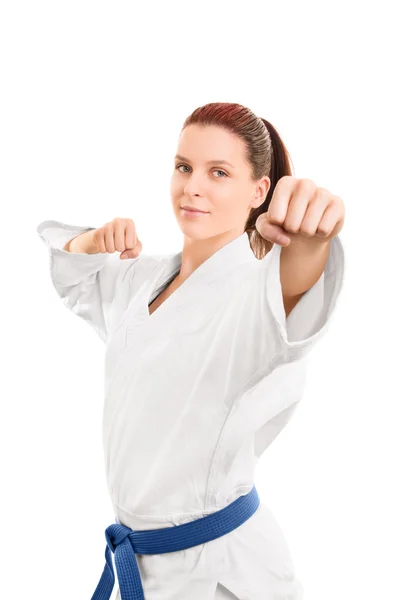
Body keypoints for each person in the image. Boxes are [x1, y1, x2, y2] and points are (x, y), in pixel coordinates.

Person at [36, 102, 346, 600]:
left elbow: (293, 286)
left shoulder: (253, 291)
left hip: (218, 574)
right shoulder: (143, 279)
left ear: (259, 191)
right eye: (184, 167)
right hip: (145, 561)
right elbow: (75, 282)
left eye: (218, 172)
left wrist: (315, 234)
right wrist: (93, 240)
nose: (191, 187)